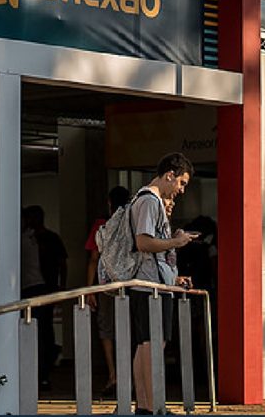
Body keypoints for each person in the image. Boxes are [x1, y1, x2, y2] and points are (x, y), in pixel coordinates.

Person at [129, 153, 196, 415]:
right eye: (181, 183)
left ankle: (145, 406)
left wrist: (174, 274)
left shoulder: (146, 199)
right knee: (153, 344)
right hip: (150, 286)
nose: (181, 190)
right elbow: (143, 242)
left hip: (151, 283)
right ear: (170, 175)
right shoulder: (149, 200)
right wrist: (176, 242)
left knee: (146, 343)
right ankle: (152, 405)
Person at [85, 185, 130, 396]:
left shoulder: (101, 225)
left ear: (109, 203)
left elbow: (93, 259)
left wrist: (90, 289)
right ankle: (131, 374)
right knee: (131, 329)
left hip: (105, 283)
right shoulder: (132, 222)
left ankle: (113, 375)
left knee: (106, 329)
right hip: (131, 284)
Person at [21, 204, 68, 389]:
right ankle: (35, 371)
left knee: (44, 331)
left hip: (43, 288)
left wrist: (61, 286)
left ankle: (43, 371)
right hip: (25, 289)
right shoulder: (22, 238)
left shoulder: (49, 238)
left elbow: (62, 263)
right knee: (33, 331)